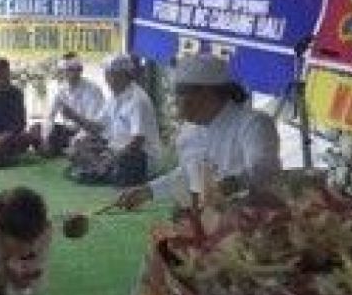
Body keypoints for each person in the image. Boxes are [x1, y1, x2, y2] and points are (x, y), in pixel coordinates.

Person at [113, 53, 281, 212]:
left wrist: (233, 184)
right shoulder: (189, 131)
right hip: (204, 221)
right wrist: (147, 191)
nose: (174, 101)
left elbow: (266, 168)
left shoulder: (254, 123)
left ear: (205, 94)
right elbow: (188, 173)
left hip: (250, 224)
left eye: (180, 93)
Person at [59, 54, 163, 187]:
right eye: (107, 74)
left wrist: (112, 158)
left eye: (111, 74)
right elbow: (97, 127)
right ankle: (102, 170)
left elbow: (137, 141)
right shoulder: (113, 98)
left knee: (125, 165)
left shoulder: (138, 100)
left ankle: (101, 171)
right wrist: (75, 117)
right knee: (76, 148)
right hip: (114, 150)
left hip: (140, 156)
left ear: (125, 75)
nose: (107, 79)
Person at [30, 52, 106, 158]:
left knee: (85, 141)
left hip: (85, 132)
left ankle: (66, 149)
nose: (69, 73)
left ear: (80, 70)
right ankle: (56, 148)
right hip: (67, 131)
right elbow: (49, 117)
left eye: (73, 69)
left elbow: (92, 126)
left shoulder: (93, 90)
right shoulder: (59, 89)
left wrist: (76, 137)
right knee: (35, 128)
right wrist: (45, 137)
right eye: (67, 70)